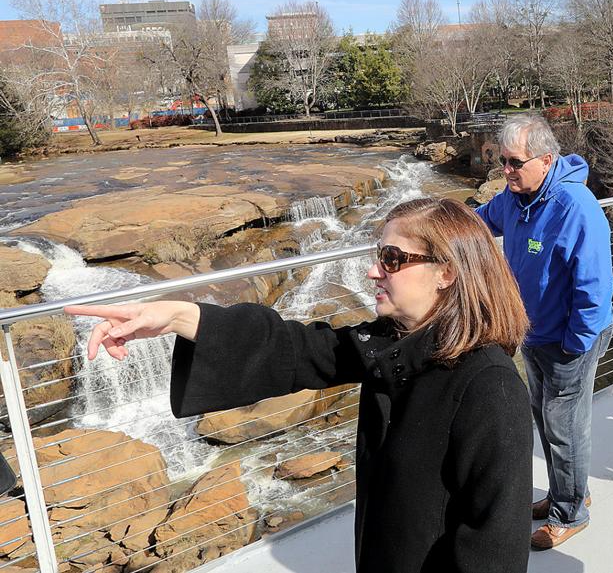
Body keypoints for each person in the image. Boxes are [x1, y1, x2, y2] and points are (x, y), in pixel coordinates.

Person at [66, 198, 533, 573]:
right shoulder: (395, 346)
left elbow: (495, 549)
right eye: (379, 256)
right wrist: (181, 316)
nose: (374, 270)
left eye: (392, 259)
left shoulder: (488, 387)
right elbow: (298, 349)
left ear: (446, 272)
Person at [475, 114, 613, 550]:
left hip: (569, 338)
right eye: (503, 162)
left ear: (546, 159)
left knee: (563, 424)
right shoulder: (513, 199)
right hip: (534, 336)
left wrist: (574, 345)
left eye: (515, 162)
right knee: (546, 417)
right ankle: (566, 492)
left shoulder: (577, 206)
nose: (507, 170)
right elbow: (481, 223)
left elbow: (594, 288)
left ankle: (571, 512)